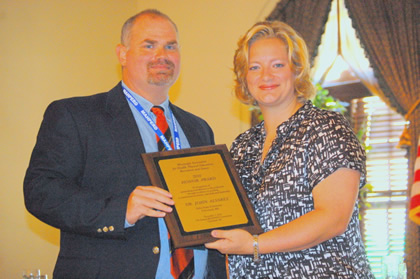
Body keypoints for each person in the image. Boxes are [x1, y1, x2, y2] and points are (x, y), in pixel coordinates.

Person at [24, 9, 227, 279]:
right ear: (122, 54)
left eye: (170, 46)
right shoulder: (75, 115)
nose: (162, 56)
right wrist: (122, 211)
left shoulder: (198, 128)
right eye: (149, 45)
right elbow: (41, 192)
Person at [205, 21, 374, 278]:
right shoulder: (242, 146)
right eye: (254, 67)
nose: (266, 76)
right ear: (244, 77)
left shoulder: (325, 128)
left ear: (296, 70)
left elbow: (333, 218)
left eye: (278, 65)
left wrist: (254, 245)